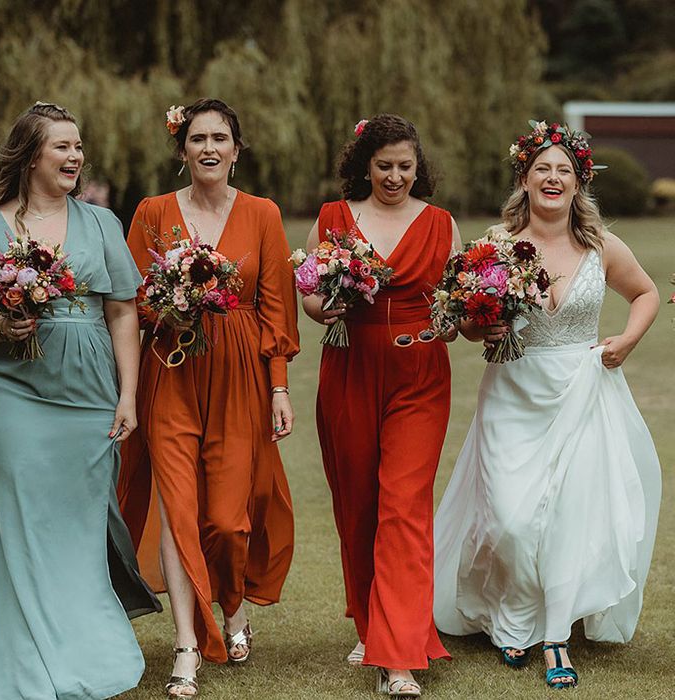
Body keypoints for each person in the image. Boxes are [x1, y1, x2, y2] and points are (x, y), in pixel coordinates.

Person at [0, 101, 161, 699]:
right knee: (14, 508)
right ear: (30, 154)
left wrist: (128, 396)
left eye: (78, 146)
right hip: (15, 393)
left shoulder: (102, 224)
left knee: (76, 523)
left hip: (90, 396)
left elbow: (122, 314)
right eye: (62, 146)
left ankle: (76, 647)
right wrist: (4, 327)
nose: (75, 156)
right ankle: (9, 652)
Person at [433, 120, 661, 690]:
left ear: (579, 182)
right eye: (543, 169)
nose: (553, 178)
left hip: (584, 390)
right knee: (510, 519)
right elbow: (465, 326)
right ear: (525, 178)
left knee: (566, 519)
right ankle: (512, 617)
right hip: (512, 393)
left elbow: (646, 293)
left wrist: (626, 340)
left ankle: (555, 636)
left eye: (565, 170)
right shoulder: (497, 246)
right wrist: (477, 322)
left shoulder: (602, 245)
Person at [117, 98, 299, 698]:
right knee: (178, 506)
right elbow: (131, 301)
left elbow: (276, 307)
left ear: (237, 149)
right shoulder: (152, 212)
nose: (209, 148)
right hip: (170, 372)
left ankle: (234, 605)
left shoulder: (264, 214)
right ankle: (187, 646)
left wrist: (279, 386)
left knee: (226, 517)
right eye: (197, 139)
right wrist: (172, 301)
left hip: (241, 372)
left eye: (220, 138)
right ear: (182, 149)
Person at [304, 114, 461, 697]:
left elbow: (456, 303)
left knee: (404, 505)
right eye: (384, 165)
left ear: (418, 168)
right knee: (360, 502)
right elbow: (315, 297)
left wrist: (466, 318)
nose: (395, 176)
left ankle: (398, 658)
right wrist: (322, 308)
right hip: (349, 365)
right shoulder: (334, 218)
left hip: (419, 373)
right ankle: (371, 620)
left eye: (405, 166)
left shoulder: (442, 224)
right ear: (364, 165)